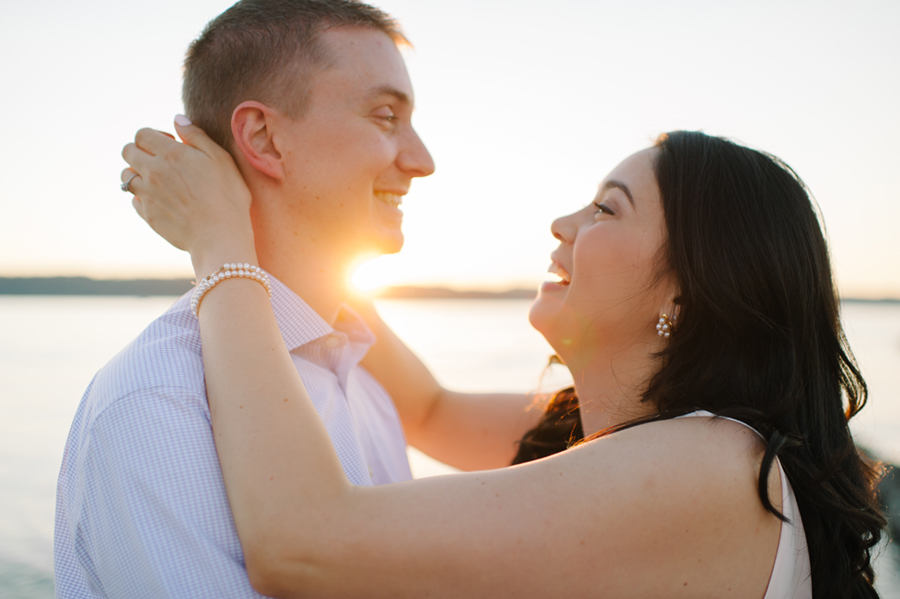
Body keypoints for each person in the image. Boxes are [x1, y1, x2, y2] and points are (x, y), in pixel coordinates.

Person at [126, 125, 886, 597]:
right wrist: (301, 230)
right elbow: (428, 408)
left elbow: (300, 541)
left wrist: (220, 245)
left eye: (606, 208)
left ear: (688, 296)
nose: (562, 223)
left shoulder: (715, 467)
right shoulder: (585, 432)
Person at [56, 1, 539, 596]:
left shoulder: (364, 380)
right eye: (386, 116)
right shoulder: (160, 402)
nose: (423, 161)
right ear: (264, 138)